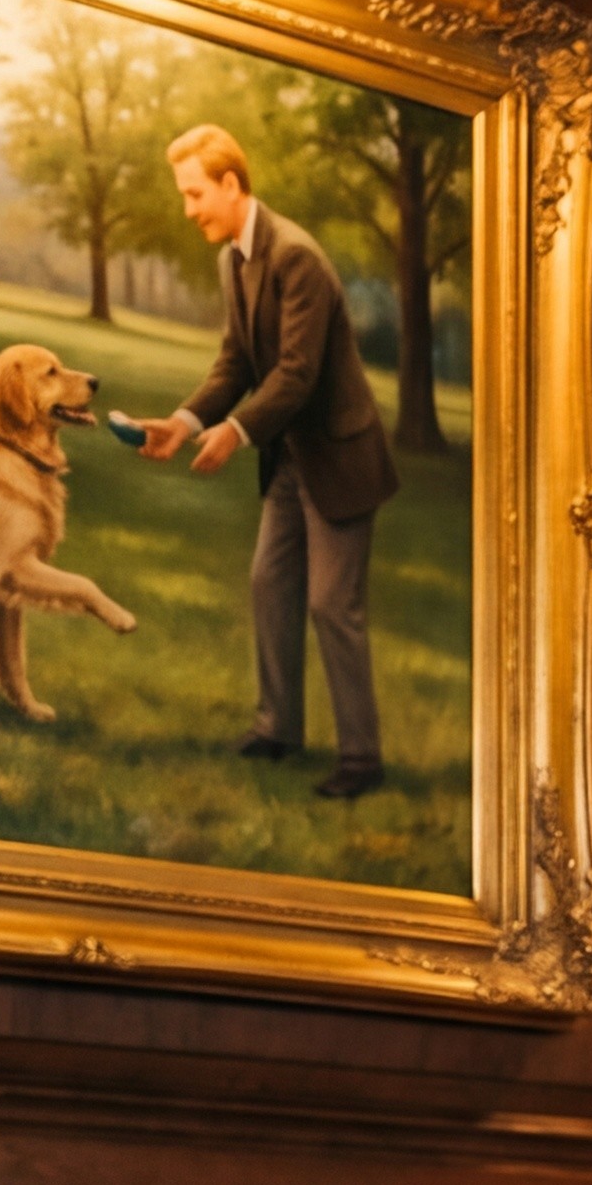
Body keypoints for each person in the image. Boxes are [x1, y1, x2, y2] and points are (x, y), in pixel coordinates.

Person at [140, 122, 396, 801]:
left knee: (330, 604)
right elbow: (237, 362)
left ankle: (362, 759)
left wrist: (236, 431)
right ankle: (278, 727)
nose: (189, 209)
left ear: (231, 185)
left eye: (195, 194)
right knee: (268, 584)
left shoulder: (296, 257)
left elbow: (297, 374)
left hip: (338, 456)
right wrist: (185, 421)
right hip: (288, 455)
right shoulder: (234, 259)